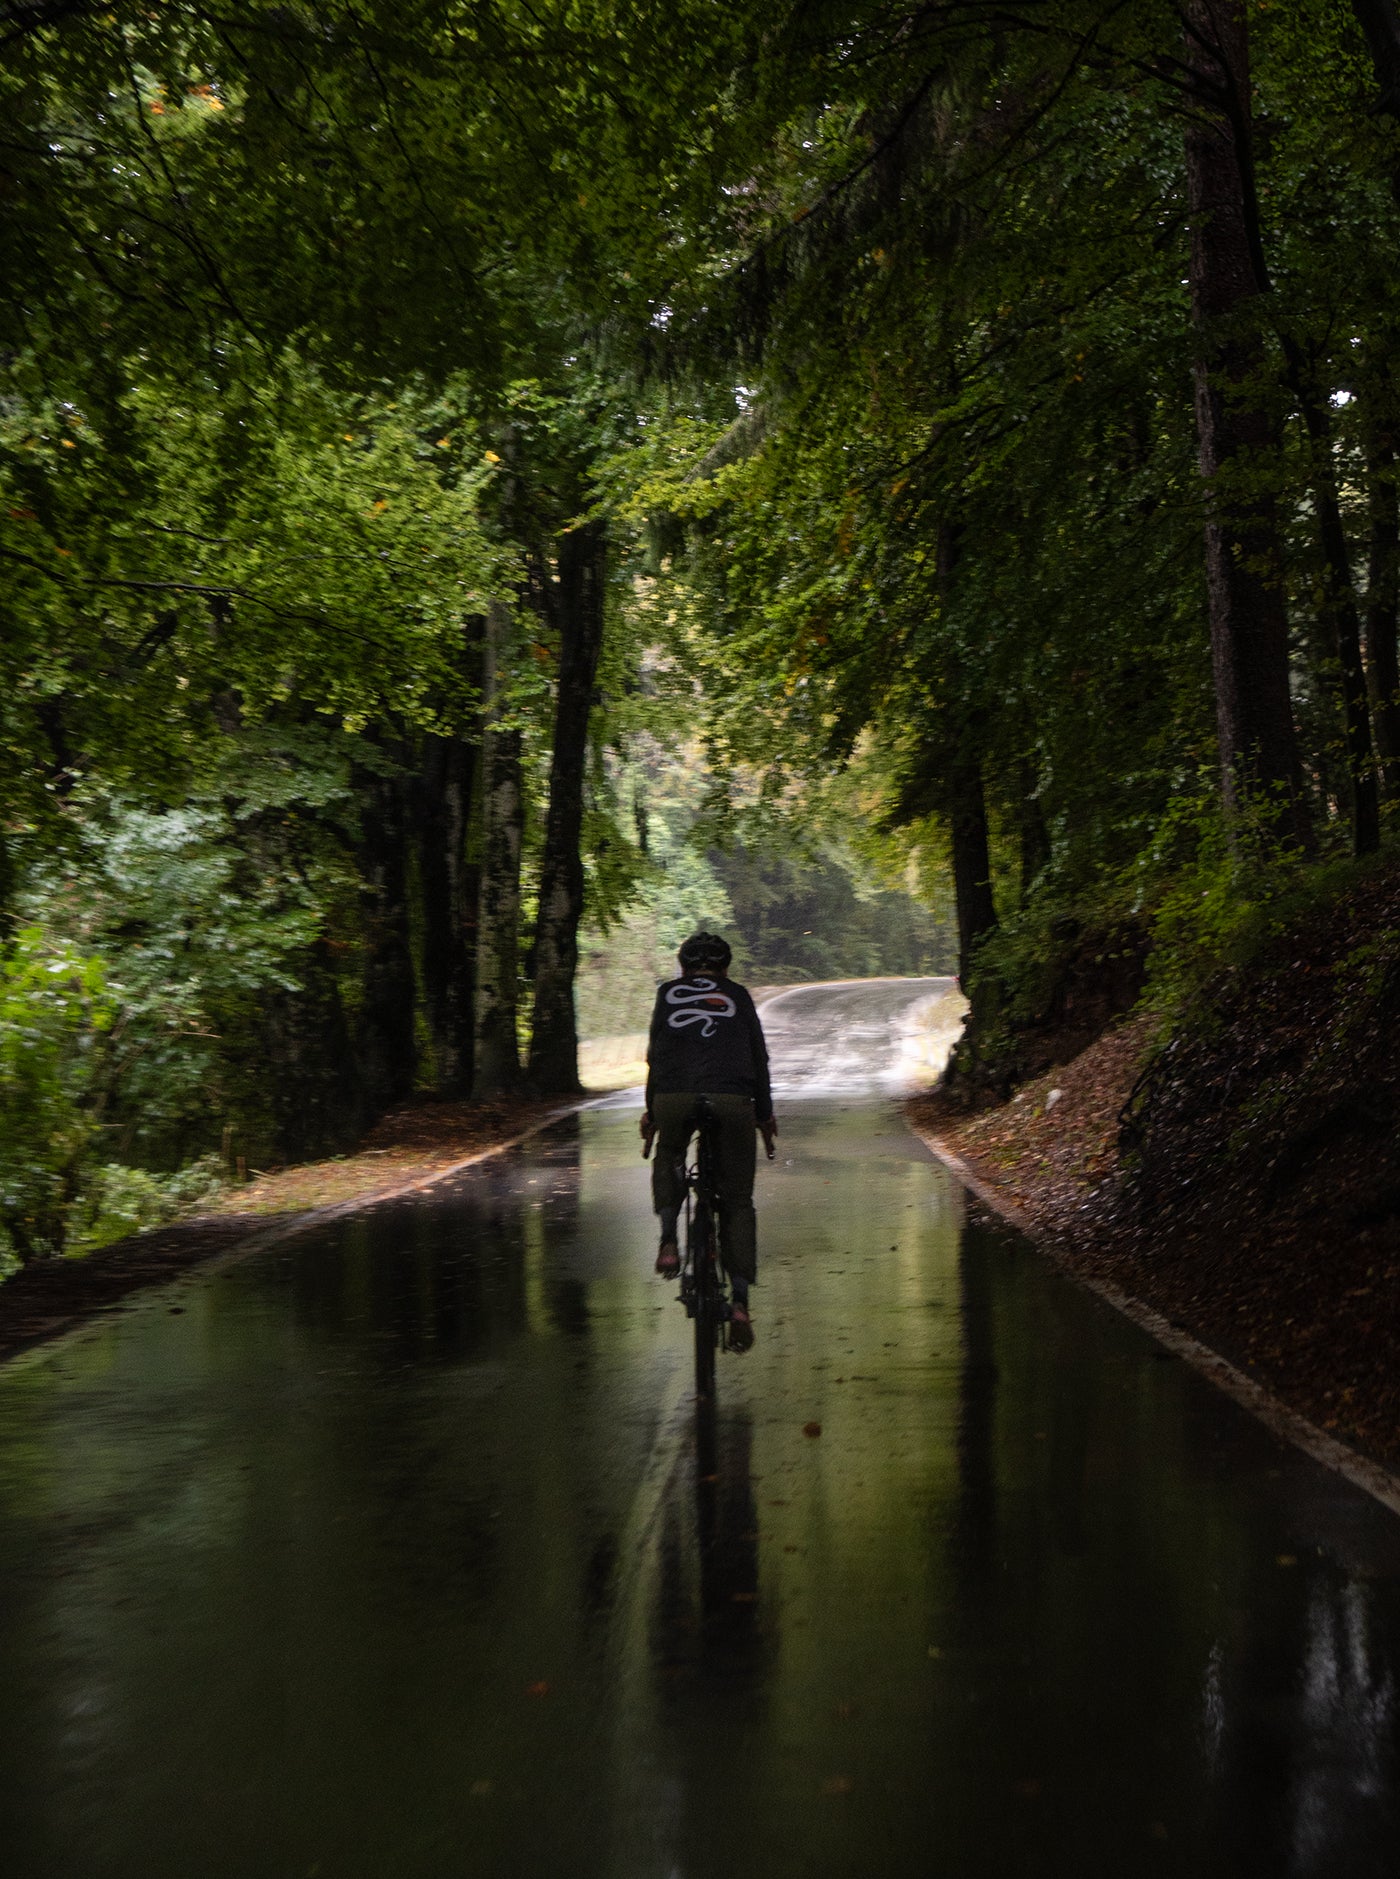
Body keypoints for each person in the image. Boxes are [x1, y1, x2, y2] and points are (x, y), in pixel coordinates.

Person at [640, 931, 777, 1354]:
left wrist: (652, 1112)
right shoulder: (737, 994)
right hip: (733, 1098)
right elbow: (758, 1058)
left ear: (683, 967)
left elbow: (656, 1055)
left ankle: (668, 1240)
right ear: (726, 967)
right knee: (737, 1200)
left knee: (670, 1152)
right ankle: (739, 1302)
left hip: (674, 1095)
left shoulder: (667, 993)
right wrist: (764, 1116)